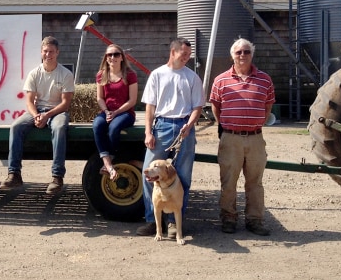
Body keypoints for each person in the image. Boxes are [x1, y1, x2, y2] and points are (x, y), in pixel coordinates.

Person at [136, 37, 204, 238]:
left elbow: (197, 107)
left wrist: (189, 125)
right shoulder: (157, 75)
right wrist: (148, 132)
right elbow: (150, 106)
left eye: (188, 55)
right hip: (162, 126)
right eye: (183, 54)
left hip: (185, 126)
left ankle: (175, 222)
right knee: (148, 174)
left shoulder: (192, 77)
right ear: (172, 52)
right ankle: (152, 220)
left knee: (182, 176)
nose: (186, 58)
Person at [209, 38, 275, 236]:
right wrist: (229, 126)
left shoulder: (265, 79)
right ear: (232, 55)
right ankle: (228, 219)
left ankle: (255, 220)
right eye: (238, 52)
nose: (242, 55)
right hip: (231, 138)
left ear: (252, 54)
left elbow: (268, 106)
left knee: (255, 182)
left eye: (246, 51)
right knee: (229, 181)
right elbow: (215, 107)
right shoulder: (221, 80)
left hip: (255, 138)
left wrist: (254, 123)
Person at [0, 36, 75, 195]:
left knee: (60, 127)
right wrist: (36, 116)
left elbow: (65, 104)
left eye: (52, 52)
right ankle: (14, 174)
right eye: (46, 51)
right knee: (15, 127)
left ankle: (57, 177)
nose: (49, 55)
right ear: (41, 52)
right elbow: (29, 101)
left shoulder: (66, 74)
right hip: (38, 110)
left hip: (57, 111)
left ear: (57, 53)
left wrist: (47, 115)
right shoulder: (34, 73)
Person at [93, 44, 138, 180]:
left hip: (125, 113)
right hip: (107, 111)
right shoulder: (101, 75)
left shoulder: (130, 75)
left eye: (116, 54)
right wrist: (106, 111)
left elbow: (132, 100)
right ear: (106, 58)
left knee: (114, 128)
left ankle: (112, 158)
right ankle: (107, 163)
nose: (113, 57)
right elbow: (100, 98)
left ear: (122, 57)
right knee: (97, 125)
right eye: (110, 55)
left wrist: (116, 112)